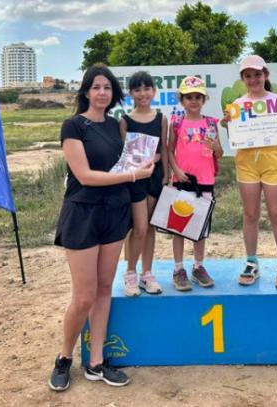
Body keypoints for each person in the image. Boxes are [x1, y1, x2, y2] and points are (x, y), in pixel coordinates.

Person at [49, 64, 153, 392]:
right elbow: (85, 176)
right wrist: (134, 176)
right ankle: (65, 357)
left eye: (107, 88)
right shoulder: (73, 126)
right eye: (96, 87)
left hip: (114, 212)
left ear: (113, 94)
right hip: (82, 214)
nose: (102, 93)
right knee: (83, 296)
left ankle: (96, 362)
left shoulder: (115, 126)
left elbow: (128, 160)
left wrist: (148, 164)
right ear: (85, 92)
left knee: (105, 288)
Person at [221, 55, 277, 288]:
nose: (253, 79)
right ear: (243, 79)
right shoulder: (236, 106)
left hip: (273, 160)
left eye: (257, 74)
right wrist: (230, 124)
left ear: (265, 75)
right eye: (248, 75)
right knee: (250, 214)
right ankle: (251, 261)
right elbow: (233, 139)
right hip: (246, 162)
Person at [167, 76, 223, 292]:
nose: (193, 101)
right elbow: (170, 150)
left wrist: (216, 146)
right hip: (182, 181)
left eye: (198, 97)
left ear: (204, 99)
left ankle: (198, 266)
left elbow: (219, 153)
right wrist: (176, 170)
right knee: (179, 227)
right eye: (189, 97)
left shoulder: (210, 123)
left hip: (206, 182)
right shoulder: (177, 123)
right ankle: (178, 268)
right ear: (182, 100)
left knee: (200, 228)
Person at [119, 71, 168, 296]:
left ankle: (147, 273)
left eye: (147, 89)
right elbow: (124, 154)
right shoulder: (125, 121)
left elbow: (164, 150)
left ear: (154, 91)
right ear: (131, 93)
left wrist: (166, 175)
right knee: (138, 228)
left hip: (155, 178)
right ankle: (130, 273)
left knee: (150, 227)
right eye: (137, 90)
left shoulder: (161, 118)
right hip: (135, 180)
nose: (143, 94)